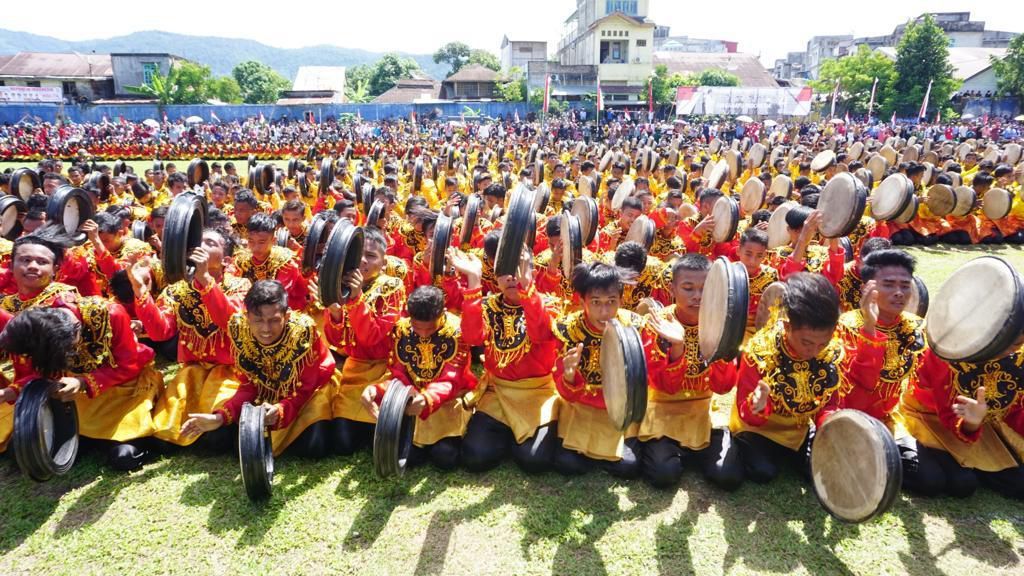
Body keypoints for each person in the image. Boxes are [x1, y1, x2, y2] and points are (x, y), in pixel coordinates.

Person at [180, 280, 336, 458]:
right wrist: (220, 417)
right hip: (267, 395)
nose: (266, 329)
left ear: (287, 316)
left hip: (310, 391)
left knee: (314, 447)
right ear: (247, 317)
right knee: (220, 440)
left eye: (274, 320)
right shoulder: (240, 331)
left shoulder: (302, 334)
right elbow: (249, 385)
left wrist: (280, 410)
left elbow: (305, 388)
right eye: (258, 320)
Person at [132, 228, 251, 448]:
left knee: (218, 437)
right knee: (163, 436)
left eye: (210, 242)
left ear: (226, 260)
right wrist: (141, 291)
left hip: (232, 371)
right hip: (193, 371)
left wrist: (204, 279)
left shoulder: (240, 285)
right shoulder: (176, 290)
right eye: (198, 241)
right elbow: (160, 332)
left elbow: (229, 322)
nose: (201, 246)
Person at [550, 262, 667, 478]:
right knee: (567, 464)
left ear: (621, 300)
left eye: (611, 302)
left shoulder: (636, 327)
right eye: (595, 302)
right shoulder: (568, 330)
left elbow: (651, 375)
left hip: (621, 410)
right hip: (581, 409)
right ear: (582, 301)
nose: (604, 311)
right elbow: (566, 392)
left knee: (628, 467)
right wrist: (568, 375)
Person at [729, 272, 845, 483]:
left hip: (796, 431)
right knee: (763, 472)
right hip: (758, 429)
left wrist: (828, 422)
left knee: (821, 473)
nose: (814, 350)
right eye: (807, 343)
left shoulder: (829, 352)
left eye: (822, 343)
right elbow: (746, 411)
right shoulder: (760, 351)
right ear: (787, 326)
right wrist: (759, 404)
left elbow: (829, 402)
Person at [639, 254, 743, 490]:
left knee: (728, 477)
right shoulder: (656, 323)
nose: (697, 296)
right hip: (664, 409)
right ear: (673, 287)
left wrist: (718, 348)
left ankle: (693, 451)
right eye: (688, 288)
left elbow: (724, 387)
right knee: (663, 475)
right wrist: (678, 346)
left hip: (704, 410)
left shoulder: (722, 322)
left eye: (704, 289)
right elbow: (665, 385)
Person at [454, 247, 561, 473]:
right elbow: (473, 337)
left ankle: (523, 437)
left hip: (537, 394)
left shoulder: (548, 304)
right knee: (475, 458)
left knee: (534, 462)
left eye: (519, 268)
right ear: (495, 275)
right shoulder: (489, 305)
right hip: (498, 393)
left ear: (532, 271)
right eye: (505, 271)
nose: (512, 277)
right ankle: (511, 434)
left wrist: (528, 290)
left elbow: (541, 333)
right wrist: (473, 281)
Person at [360, 285, 477, 470]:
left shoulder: (457, 331)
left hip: (447, 403)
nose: (423, 333)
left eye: (430, 328)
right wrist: (377, 389)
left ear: (443, 313)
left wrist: (427, 398)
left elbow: (451, 379)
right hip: (413, 403)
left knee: (445, 458)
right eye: (417, 327)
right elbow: (398, 373)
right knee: (410, 457)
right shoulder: (402, 330)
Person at [322, 227, 405, 455]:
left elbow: (372, 338)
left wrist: (357, 298)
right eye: (357, 255)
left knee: (381, 437)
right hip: (354, 369)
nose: (362, 261)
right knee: (343, 444)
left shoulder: (392, 286)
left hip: (385, 369)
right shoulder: (341, 286)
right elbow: (336, 341)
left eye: (371, 256)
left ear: (383, 260)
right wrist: (335, 313)